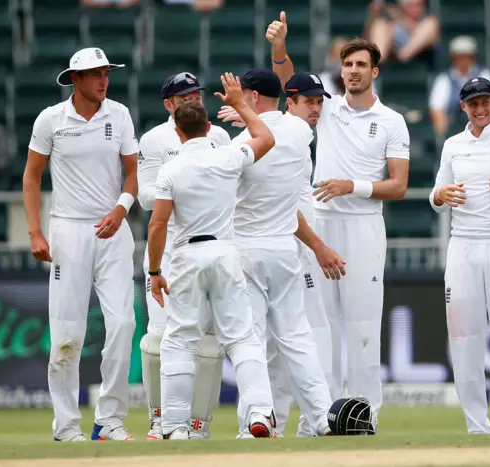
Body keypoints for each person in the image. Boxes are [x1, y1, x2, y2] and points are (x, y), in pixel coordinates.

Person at [266, 13, 411, 417]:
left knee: (363, 326)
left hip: (364, 226)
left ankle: (365, 415)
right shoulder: (325, 108)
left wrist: (353, 186)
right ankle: (325, 414)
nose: (352, 71)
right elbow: (288, 84)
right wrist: (279, 48)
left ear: (374, 71)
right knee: (319, 325)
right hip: (320, 225)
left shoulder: (392, 121)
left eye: (360, 65)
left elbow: (398, 185)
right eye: (347, 65)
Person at [147, 74, 277, 440]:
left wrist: (155, 270)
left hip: (187, 255)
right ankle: (260, 414)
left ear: (177, 132)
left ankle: (174, 426)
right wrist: (240, 104)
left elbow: (158, 226)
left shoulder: (170, 170)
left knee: (179, 341)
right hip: (224, 251)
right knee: (242, 338)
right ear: (208, 127)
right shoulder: (228, 156)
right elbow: (266, 138)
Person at [218, 71, 346, 437]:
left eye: (243, 94)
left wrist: (242, 114)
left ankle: (258, 418)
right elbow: (277, 130)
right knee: (297, 337)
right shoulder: (302, 133)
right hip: (284, 249)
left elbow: (260, 142)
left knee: (251, 340)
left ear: (253, 96)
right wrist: (245, 110)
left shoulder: (241, 144)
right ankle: (322, 417)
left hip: (245, 249)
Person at [23, 47, 138, 441]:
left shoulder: (119, 114)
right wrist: (35, 231)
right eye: (95, 74)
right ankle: (66, 424)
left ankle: (109, 420)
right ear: (75, 79)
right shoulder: (50, 119)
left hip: (113, 230)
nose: (103, 79)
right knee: (67, 333)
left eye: (106, 72)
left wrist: (121, 210)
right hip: (68, 231)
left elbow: (133, 173)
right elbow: (31, 176)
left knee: (124, 324)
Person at [429, 77, 490, 435]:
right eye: (473, 104)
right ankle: (476, 426)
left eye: (486, 102)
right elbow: (436, 197)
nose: (480, 109)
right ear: (463, 108)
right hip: (463, 247)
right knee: (464, 338)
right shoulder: (453, 145)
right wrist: (441, 195)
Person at [137, 72, 230, 441]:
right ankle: (159, 420)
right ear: (168, 104)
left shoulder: (218, 135)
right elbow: (146, 196)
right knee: (160, 337)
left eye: (196, 94)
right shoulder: (155, 139)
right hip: (168, 247)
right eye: (184, 95)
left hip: (209, 245)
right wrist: (176, 185)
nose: (192, 100)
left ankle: (198, 423)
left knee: (207, 341)